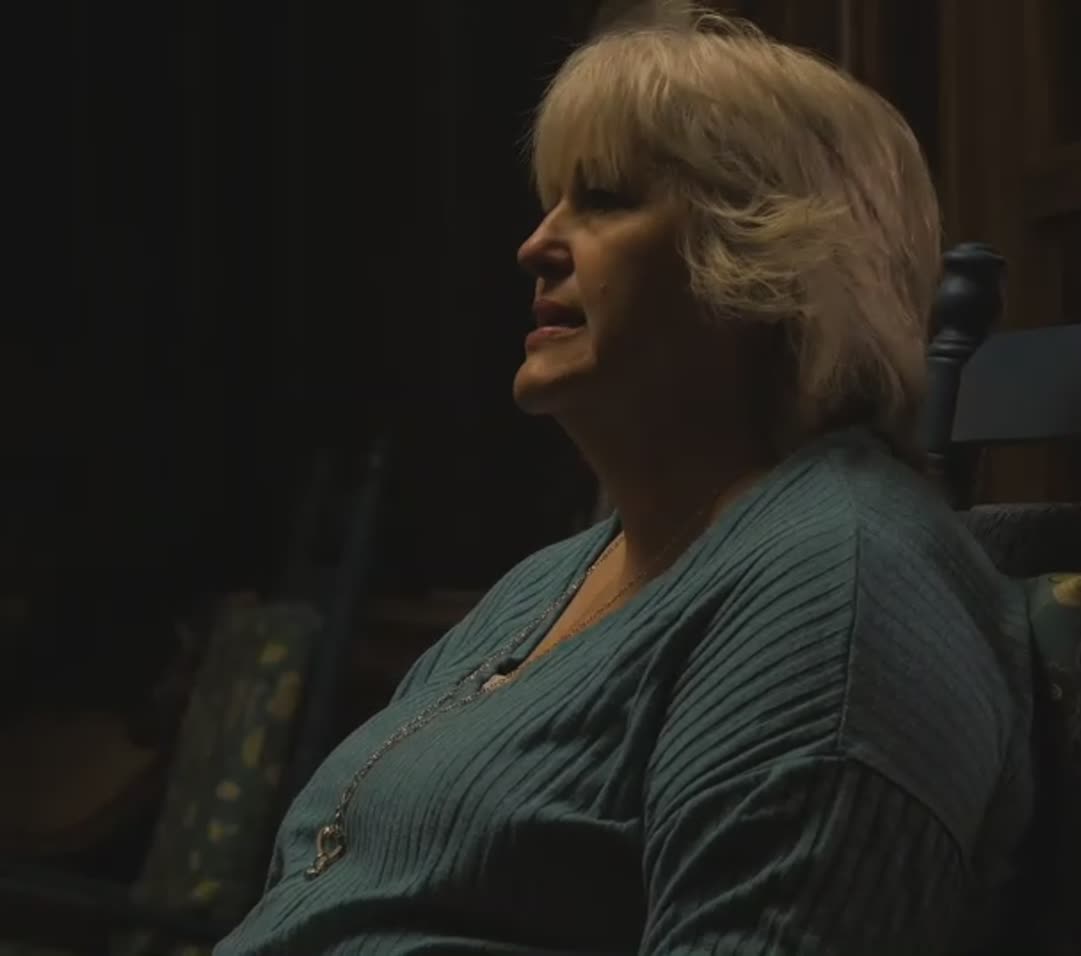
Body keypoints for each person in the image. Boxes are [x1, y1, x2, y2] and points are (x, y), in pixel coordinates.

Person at [215, 11, 1033, 955]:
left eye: (603, 200)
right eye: (550, 201)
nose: (536, 244)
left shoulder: (838, 590)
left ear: (767, 253)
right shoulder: (547, 582)